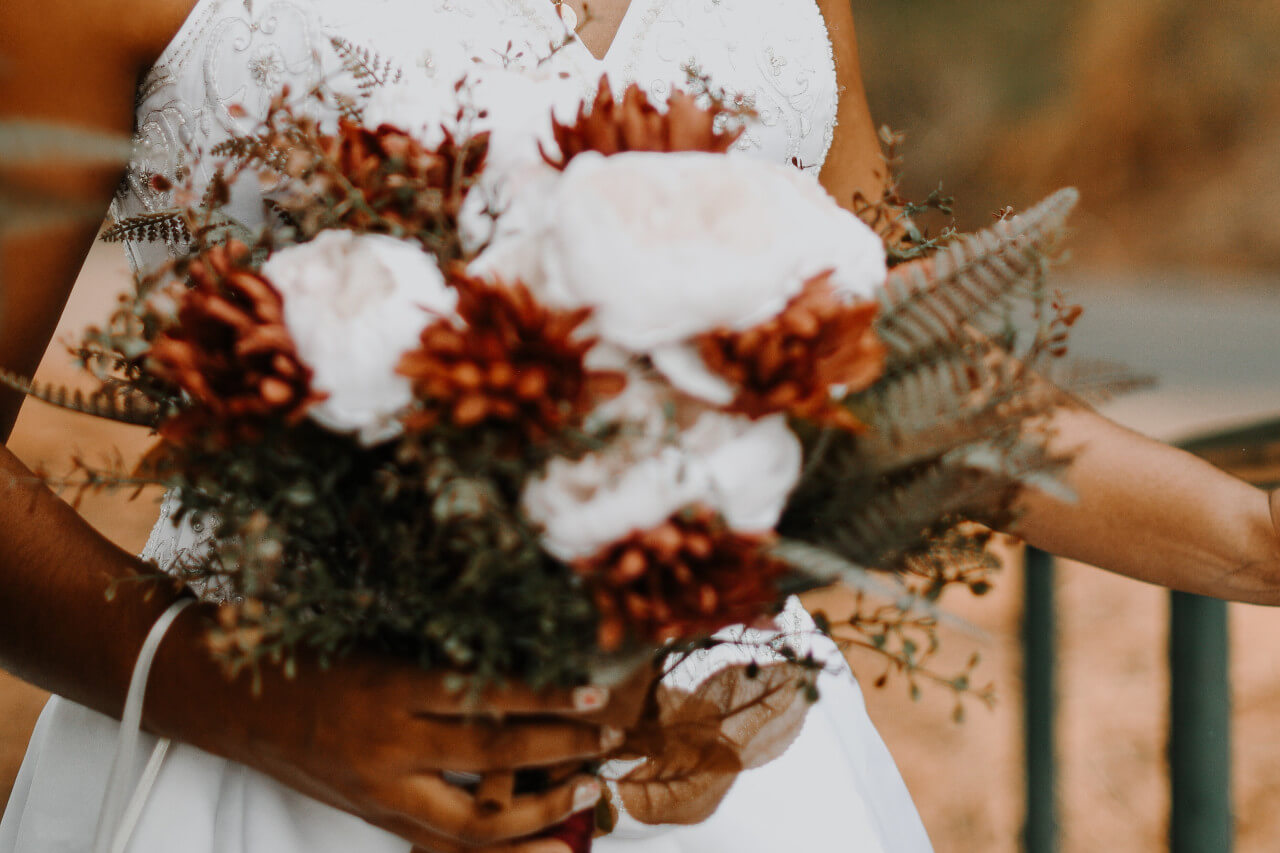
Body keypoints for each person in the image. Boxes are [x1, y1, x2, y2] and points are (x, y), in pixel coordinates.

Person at [0, 1, 1277, 851]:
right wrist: (258, 707)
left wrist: (1247, 531)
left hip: (731, 781)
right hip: (279, 771)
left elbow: (889, 371)